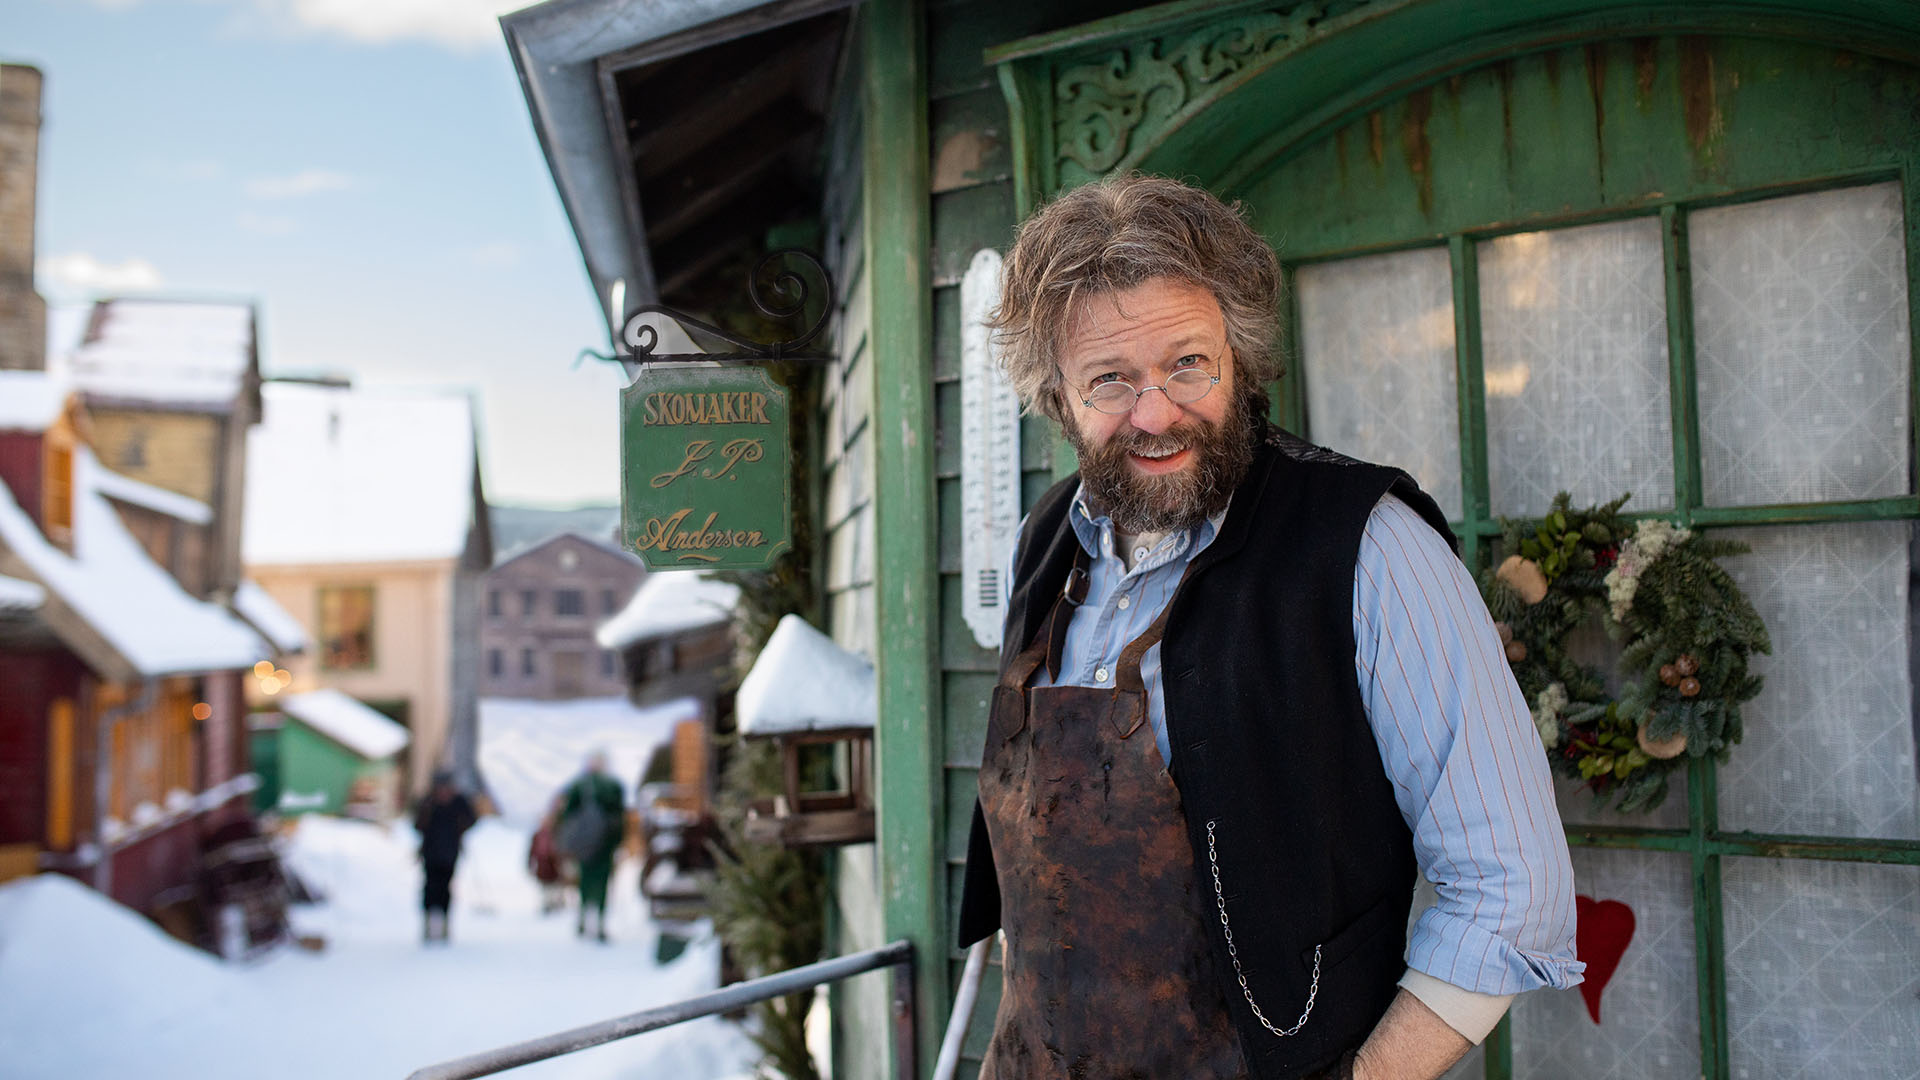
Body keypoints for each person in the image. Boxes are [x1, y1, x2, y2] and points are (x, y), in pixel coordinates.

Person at [956, 174, 1584, 1080]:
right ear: (1057, 394)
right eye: (1110, 379)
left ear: (1240, 357)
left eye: (1187, 364)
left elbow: (1510, 891)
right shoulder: (1047, 542)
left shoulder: (1367, 549)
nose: (1156, 412)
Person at [557, 750, 625, 942]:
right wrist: (619, 842)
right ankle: (601, 923)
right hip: (606, 843)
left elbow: (567, 816)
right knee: (603, 883)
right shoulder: (613, 787)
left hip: (585, 844)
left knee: (585, 881)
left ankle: (582, 919)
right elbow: (620, 818)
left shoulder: (578, 786)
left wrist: (568, 842)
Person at [414, 770, 476, 945]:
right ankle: (427, 924)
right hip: (430, 853)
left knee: (446, 888)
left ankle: (444, 925)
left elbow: (472, 819)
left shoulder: (458, 802)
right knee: (429, 887)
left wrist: (461, 825)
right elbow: (417, 824)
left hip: (450, 853)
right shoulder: (428, 802)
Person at [527, 796, 566, 915]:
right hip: (542, 864)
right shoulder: (537, 835)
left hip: (554, 863)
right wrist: (530, 863)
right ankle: (547, 904)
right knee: (545, 885)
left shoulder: (556, 833)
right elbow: (531, 851)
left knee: (555, 884)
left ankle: (555, 902)